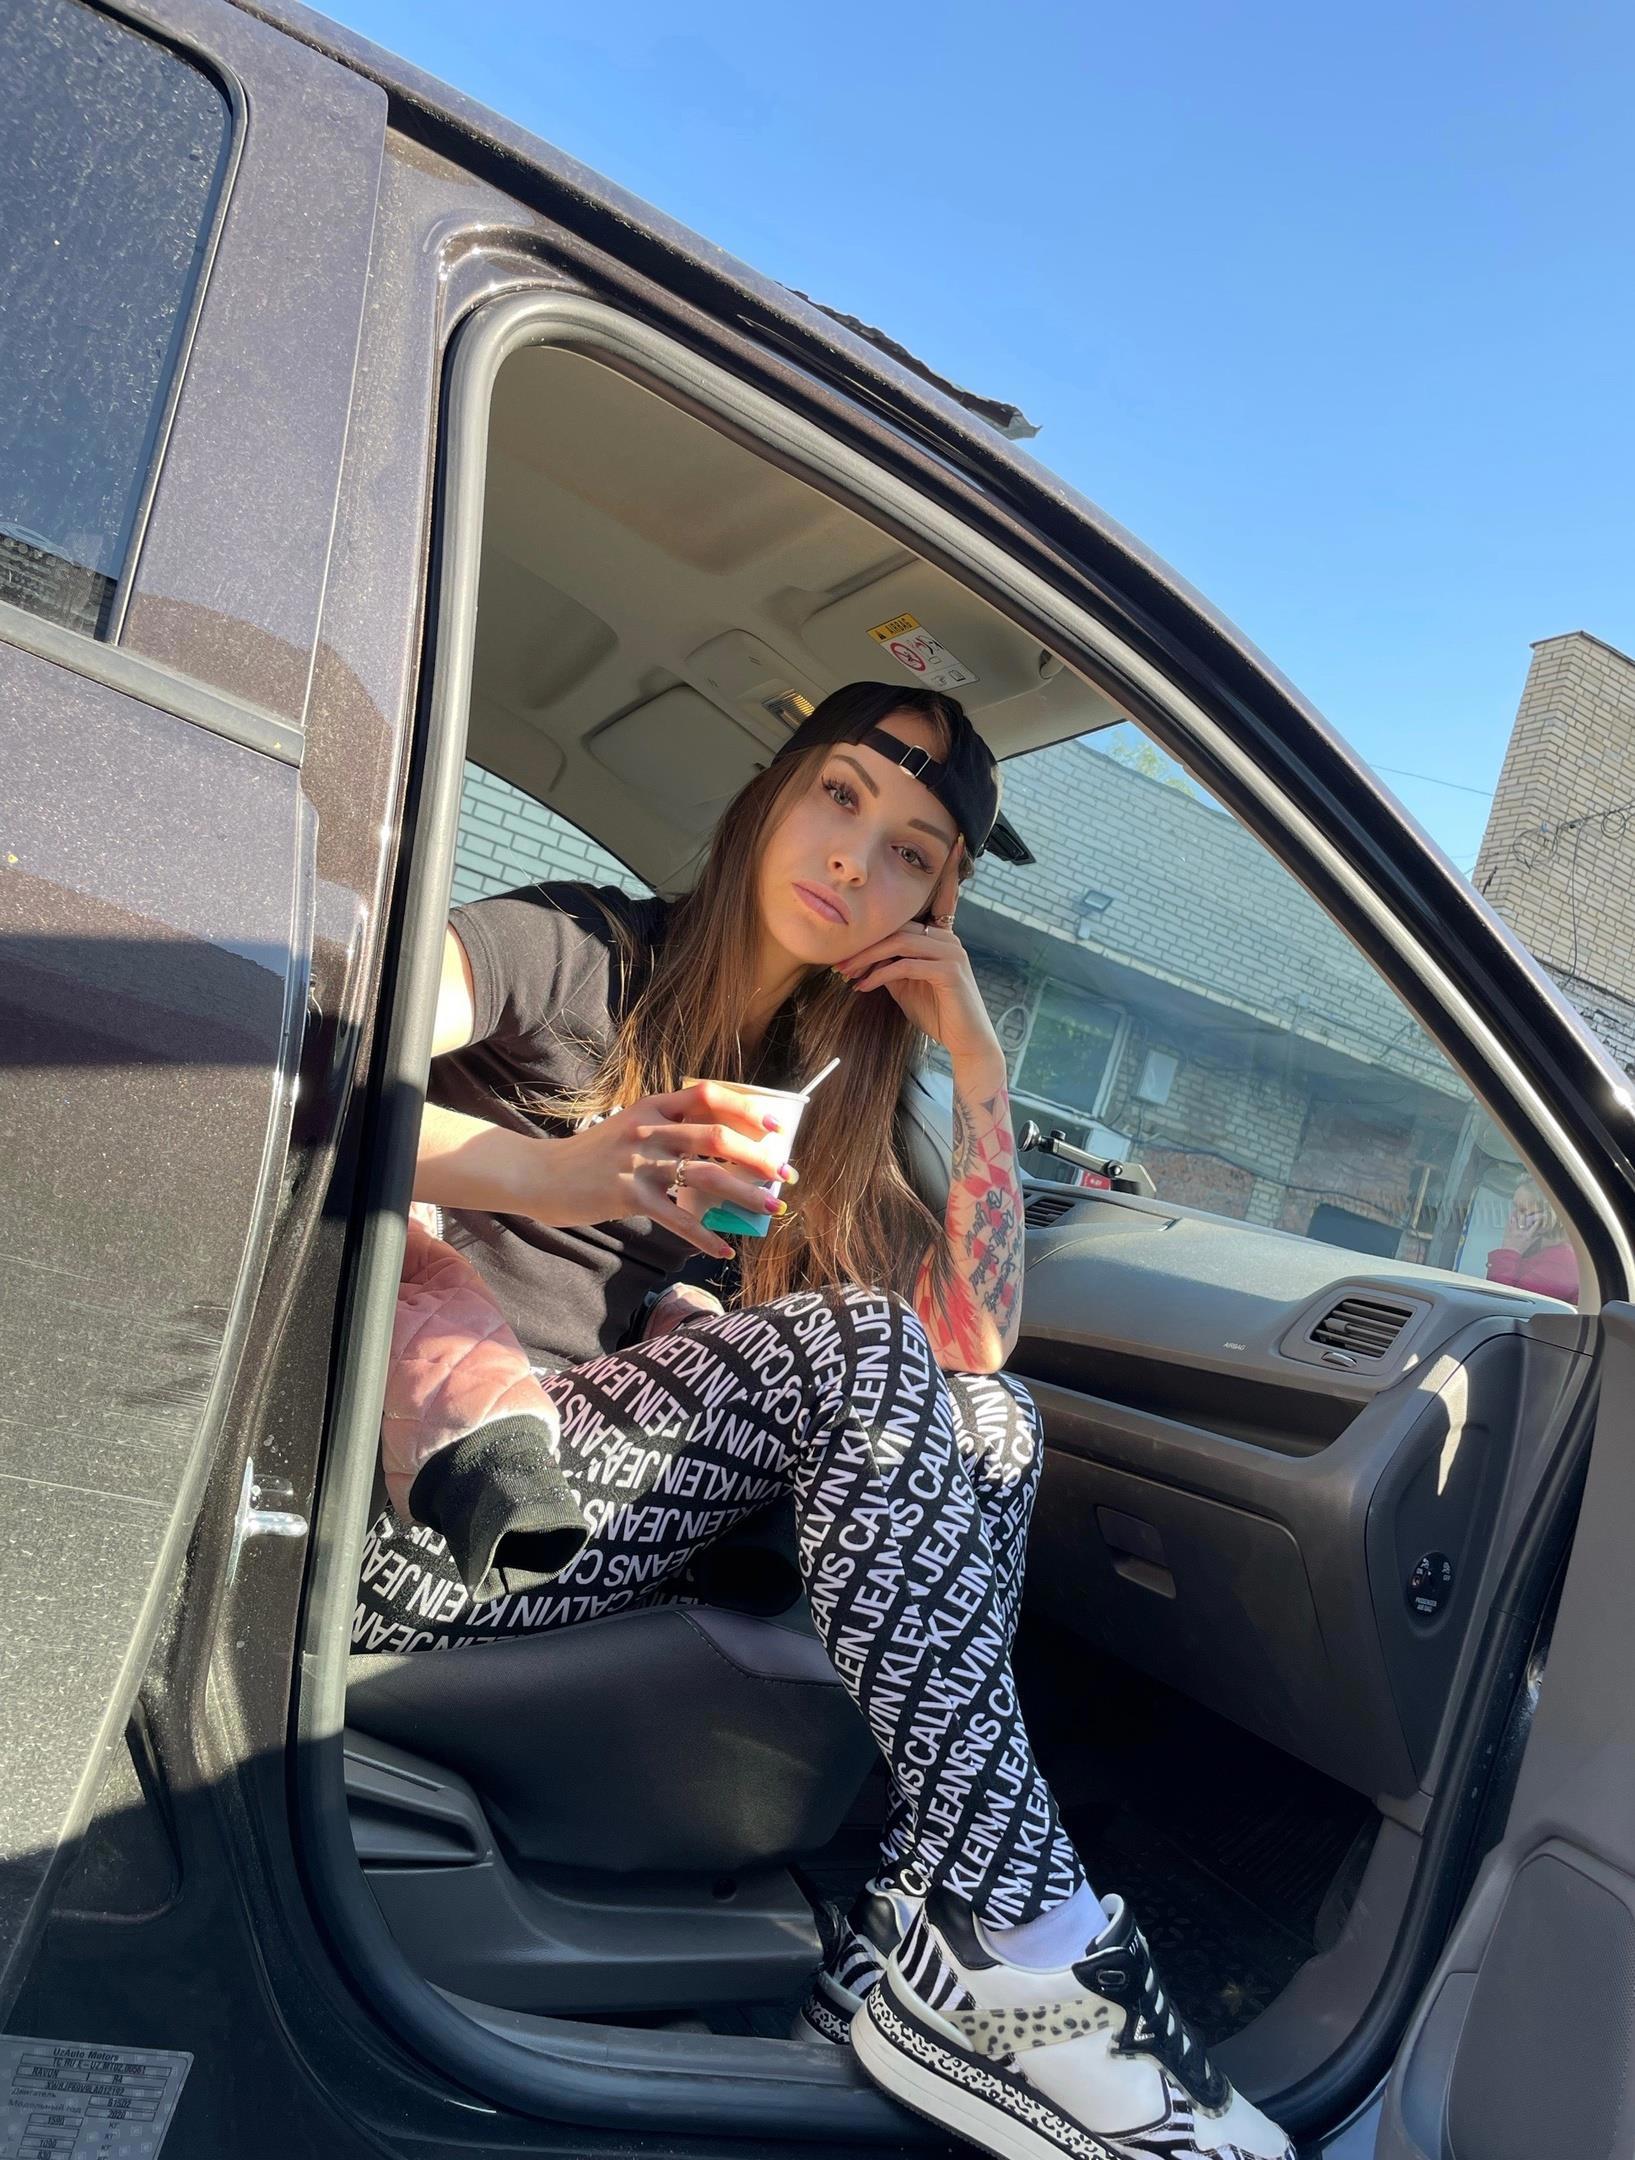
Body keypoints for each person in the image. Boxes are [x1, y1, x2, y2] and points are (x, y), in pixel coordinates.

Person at [353, 682, 1293, 2160]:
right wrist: (563, 1172)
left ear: (931, 906)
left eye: (912, 851)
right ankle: (1033, 1949)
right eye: (841, 795)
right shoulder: (579, 947)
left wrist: (977, 1067)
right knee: (854, 1341)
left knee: (992, 1420)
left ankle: (900, 1953)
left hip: (616, 1524)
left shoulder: (828, 1092)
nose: (858, 857)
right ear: (771, 796)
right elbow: (316, 1044)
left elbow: (973, 1346)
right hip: (435, 1509)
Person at [1484, 1179, 1579, 1303]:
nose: (1513, 1216)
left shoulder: (1560, 1263)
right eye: (1514, 1207)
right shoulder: (1534, 1248)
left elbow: (1503, 1303)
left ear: (1547, 1217)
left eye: (1523, 1210)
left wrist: (1510, 1250)